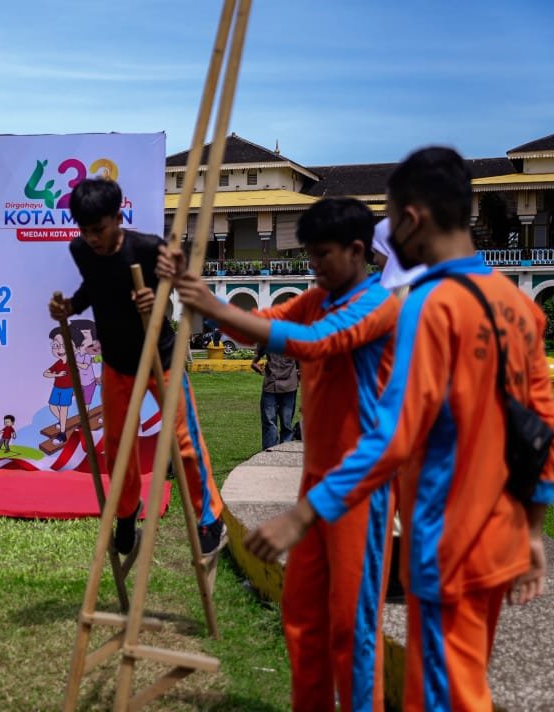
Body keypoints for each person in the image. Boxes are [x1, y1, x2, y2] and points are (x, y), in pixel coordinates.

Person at [244, 147, 554, 711]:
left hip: (448, 539)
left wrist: (304, 513)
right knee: (466, 684)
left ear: (411, 219)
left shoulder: (427, 307)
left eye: (390, 220)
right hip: (503, 532)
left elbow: (391, 436)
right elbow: (546, 426)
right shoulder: (519, 306)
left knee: (444, 697)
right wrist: (533, 531)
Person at [159, 197, 400, 712]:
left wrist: (216, 305)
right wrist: (199, 300)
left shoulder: (380, 304)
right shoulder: (318, 296)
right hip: (314, 480)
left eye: (321, 255)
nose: (312, 266)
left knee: (353, 624)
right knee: (302, 614)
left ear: (358, 251)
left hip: (359, 487)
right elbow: (260, 324)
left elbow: (313, 343)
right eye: (309, 255)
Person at [48, 177, 225, 560]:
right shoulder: (81, 250)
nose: (92, 238)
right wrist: (71, 309)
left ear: (118, 217)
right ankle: (127, 513)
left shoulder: (147, 248)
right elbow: (93, 288)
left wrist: (162, 289)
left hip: (160, 360)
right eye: (85, 230)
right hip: (117, 364)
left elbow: (178, 289)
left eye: (99, 229)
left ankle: (209, 518)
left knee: (184, 441)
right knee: (117, 449)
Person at [250, 343, 299, 449]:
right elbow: (257, 355)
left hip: (289, 385)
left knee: (286, 423)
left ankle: (285, 451)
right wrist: (254, 363)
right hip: (271, 385)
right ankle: (269, 451)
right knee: (269, 421)